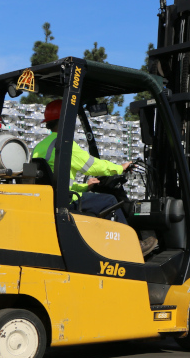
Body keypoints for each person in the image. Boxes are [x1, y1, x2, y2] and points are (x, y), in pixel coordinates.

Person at [32, 99, 157, 255]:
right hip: (66, 202)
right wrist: (119, 168)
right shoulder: (64, 144)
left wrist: (85, 187)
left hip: (52, 199)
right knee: (110, 201)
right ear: (65, 120)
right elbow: (91, 165)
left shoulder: (40, 146)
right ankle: (132, 247)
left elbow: (55, 181)